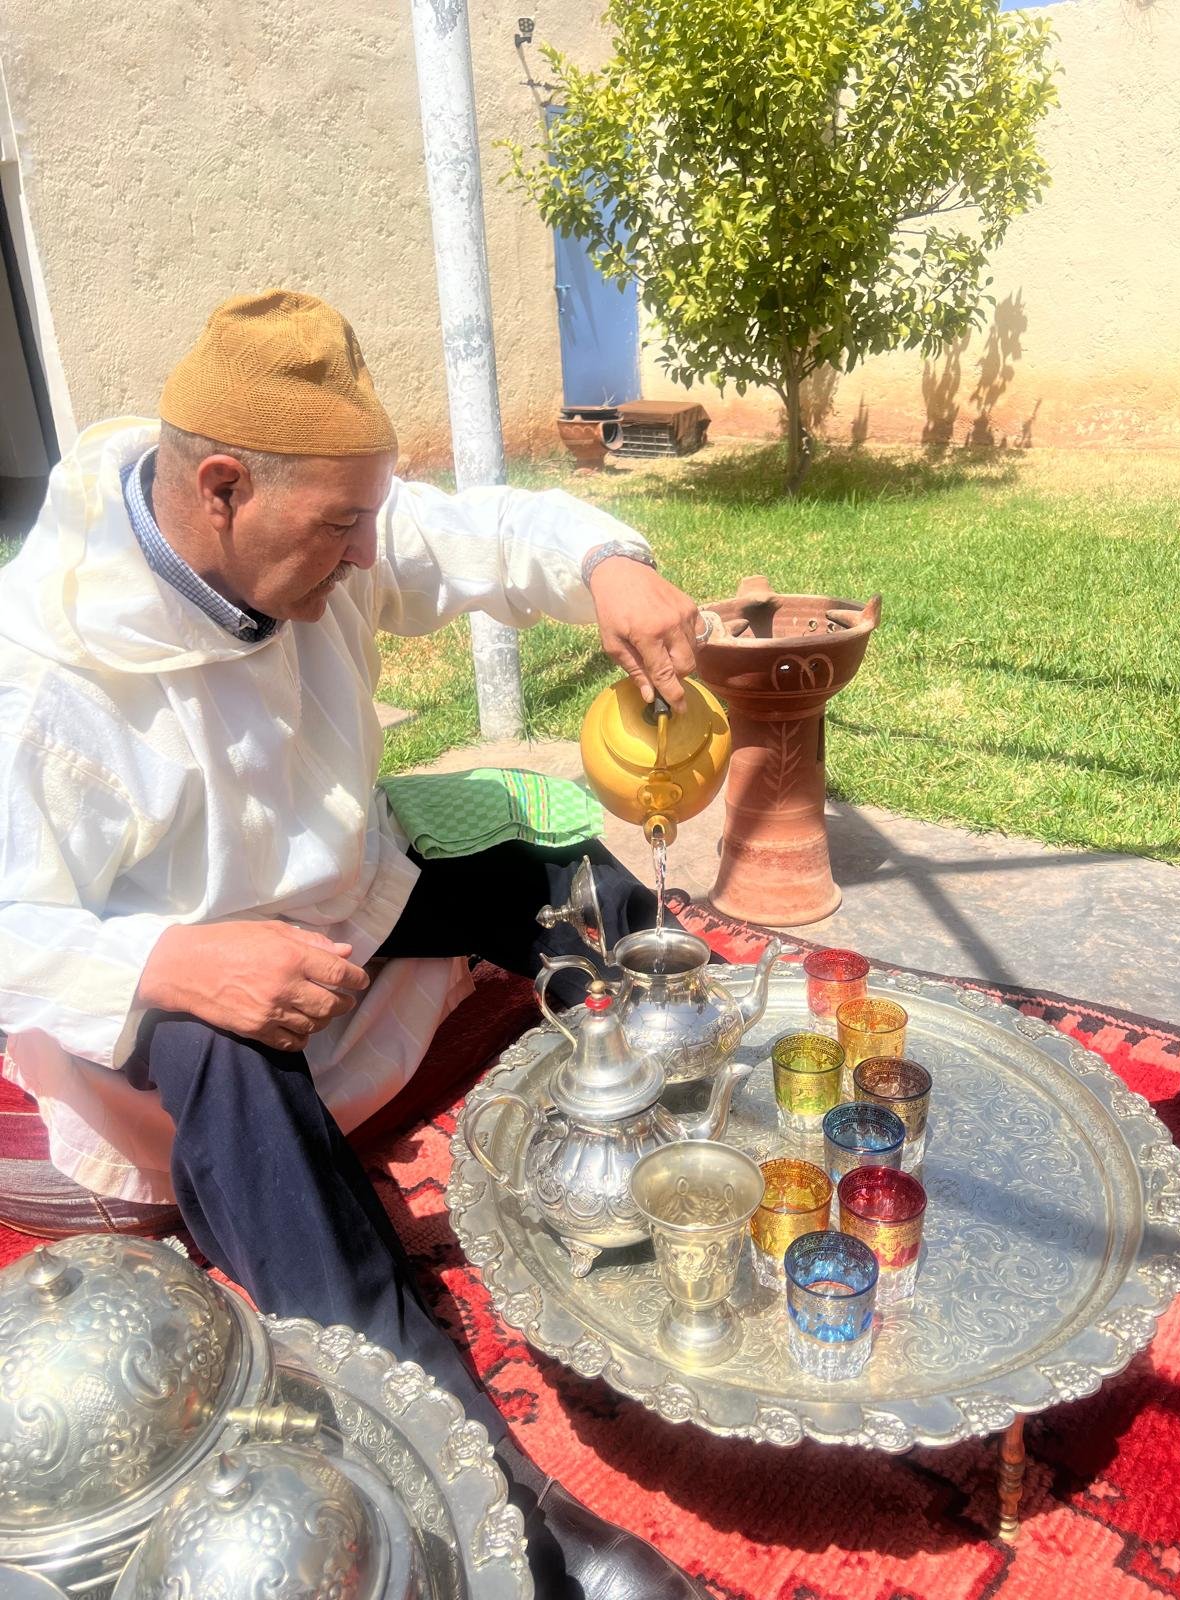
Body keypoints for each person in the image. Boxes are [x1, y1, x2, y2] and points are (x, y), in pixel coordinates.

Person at [0, 290, 708, 1597]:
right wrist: (169, 962)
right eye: (340, 529)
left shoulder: (323, 524)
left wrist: (610, 564)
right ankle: (479, 1487)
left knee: (558, 877)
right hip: (181, 999)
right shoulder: (39, 673)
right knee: (218, 1058)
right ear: (222, 487)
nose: (367, 556)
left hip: (340, 902)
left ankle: (689, 1121)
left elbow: (483, 533)